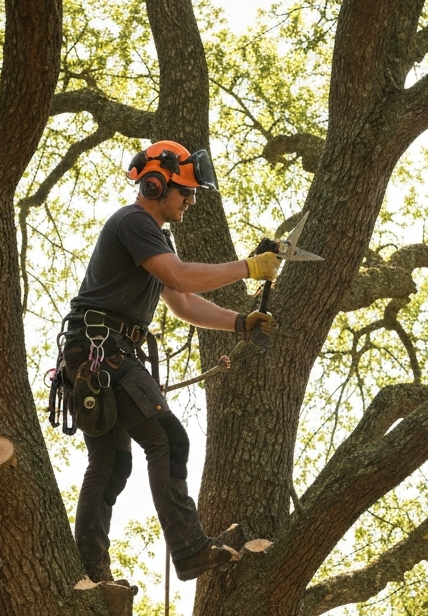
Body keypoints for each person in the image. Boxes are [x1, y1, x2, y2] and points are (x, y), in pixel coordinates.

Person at [60, 140, 280, 582]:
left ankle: (89, 572)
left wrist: (240, 322)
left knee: (111, 465)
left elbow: (181, 300)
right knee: (169, 440)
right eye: (186, 192)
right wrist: (248, 268)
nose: (191, 201)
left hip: (97, 353)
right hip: (105, 352)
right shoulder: (135, 220)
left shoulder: (151, 238)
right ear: (156, 184)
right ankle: (190, 549)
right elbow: (179, 275)